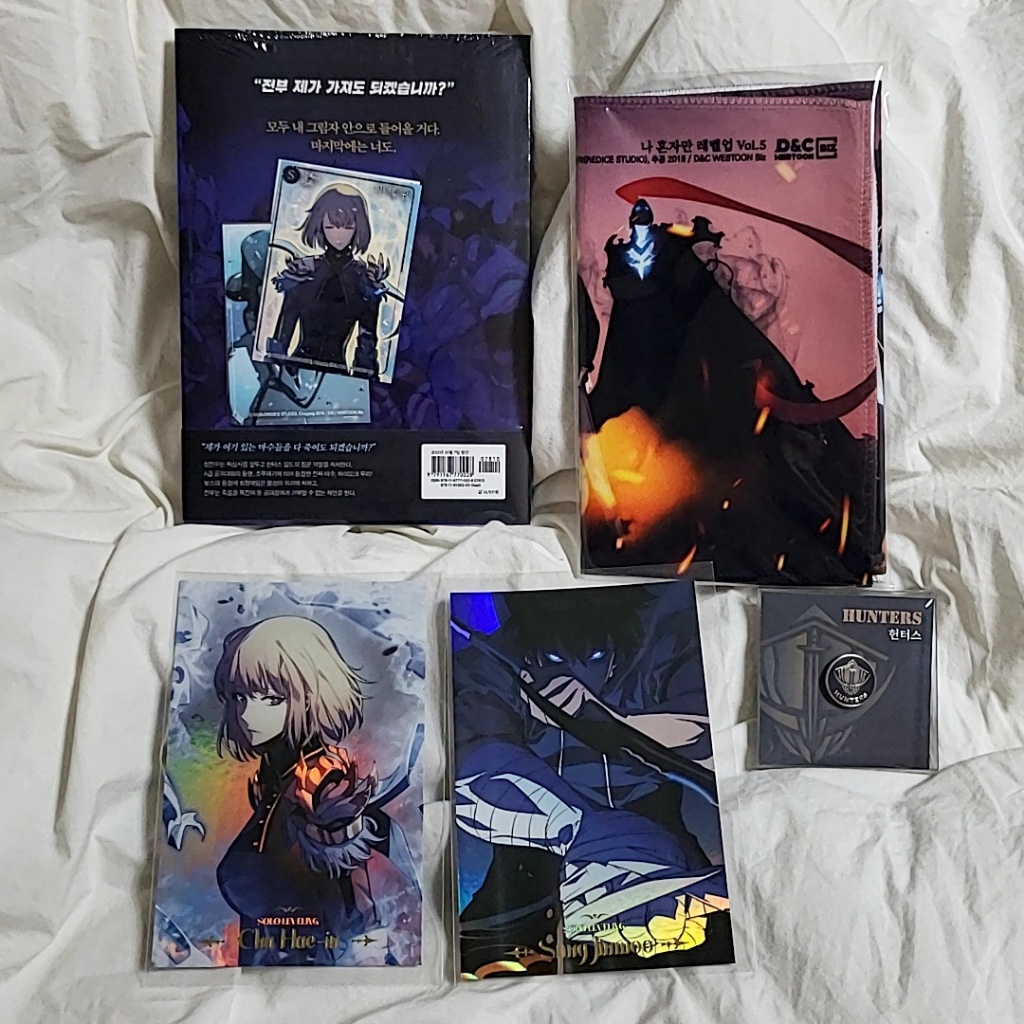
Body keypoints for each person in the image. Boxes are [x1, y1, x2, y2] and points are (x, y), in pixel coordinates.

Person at [213, 615, 416, 966]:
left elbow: (359, 905)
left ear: (310, 697)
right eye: (241, 696)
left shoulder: (321, 785)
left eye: (271, 698)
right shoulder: (275, 782)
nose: (247, 713)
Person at [265, 185, 387, 377]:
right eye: (331, 226)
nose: (339, 235)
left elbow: (367, 342)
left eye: (347, 227)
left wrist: (363, 382)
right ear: (320, 224)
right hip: (295, 372)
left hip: (337, 376)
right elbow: (283, 334)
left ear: (358, 227)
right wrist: (275, 370)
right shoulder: (303, 271)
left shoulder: (365, 280)